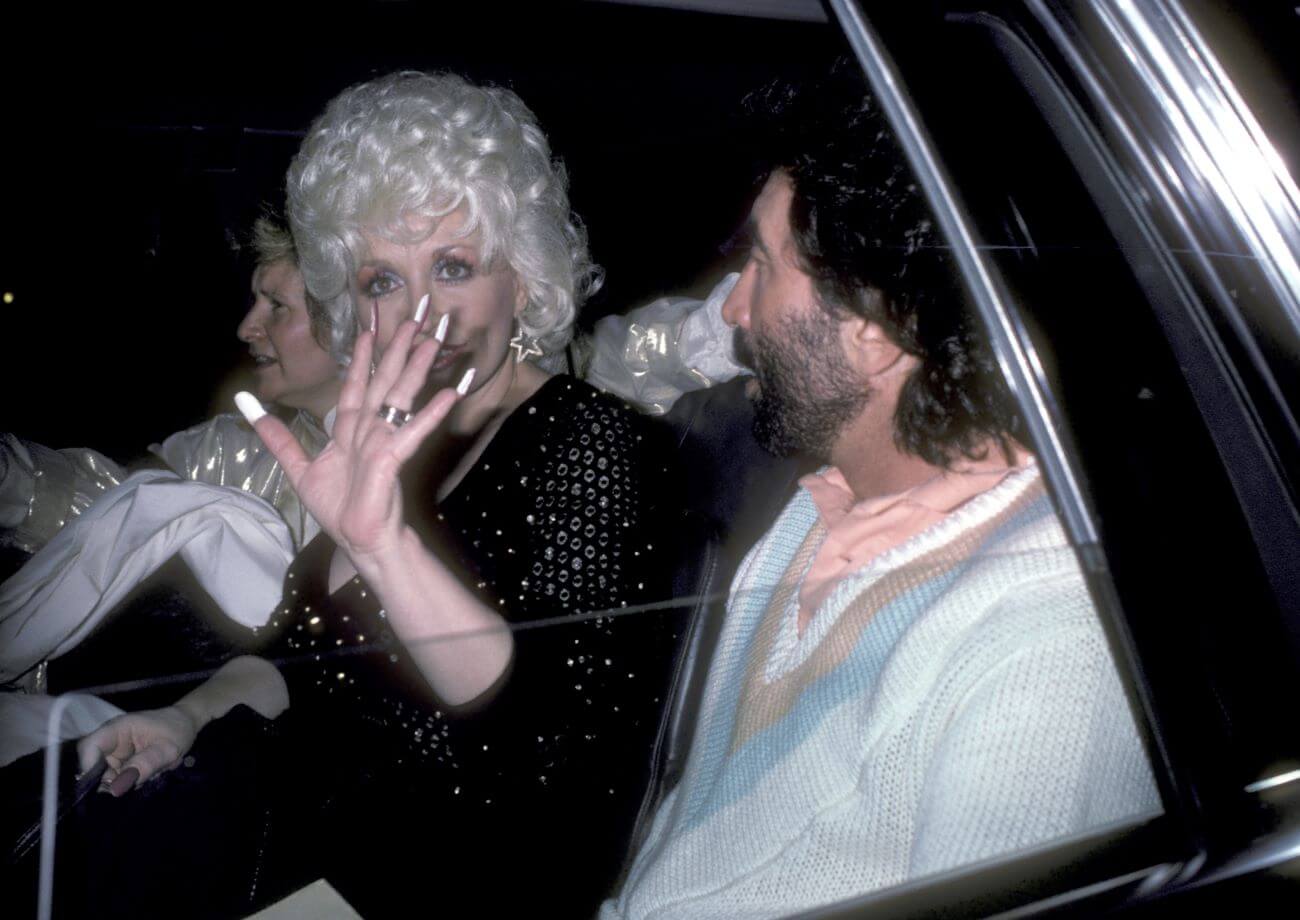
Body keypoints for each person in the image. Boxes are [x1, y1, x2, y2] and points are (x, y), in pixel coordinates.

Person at [63, 72, 682, 919]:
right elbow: (293, 664)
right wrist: (187, 717)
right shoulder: (407, 453)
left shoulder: (592, 440)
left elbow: (550, 755)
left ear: (526, 281)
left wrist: (386, 549)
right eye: (382, 281)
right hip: (286, 835)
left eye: (454, 266)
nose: (421, 310)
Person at [603, 73, 1160, 918]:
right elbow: (627, 350)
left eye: (759, 264)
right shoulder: (816, 502)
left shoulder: (1046, 649)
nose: (737, 311)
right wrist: (671, 340)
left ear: (874, 332)